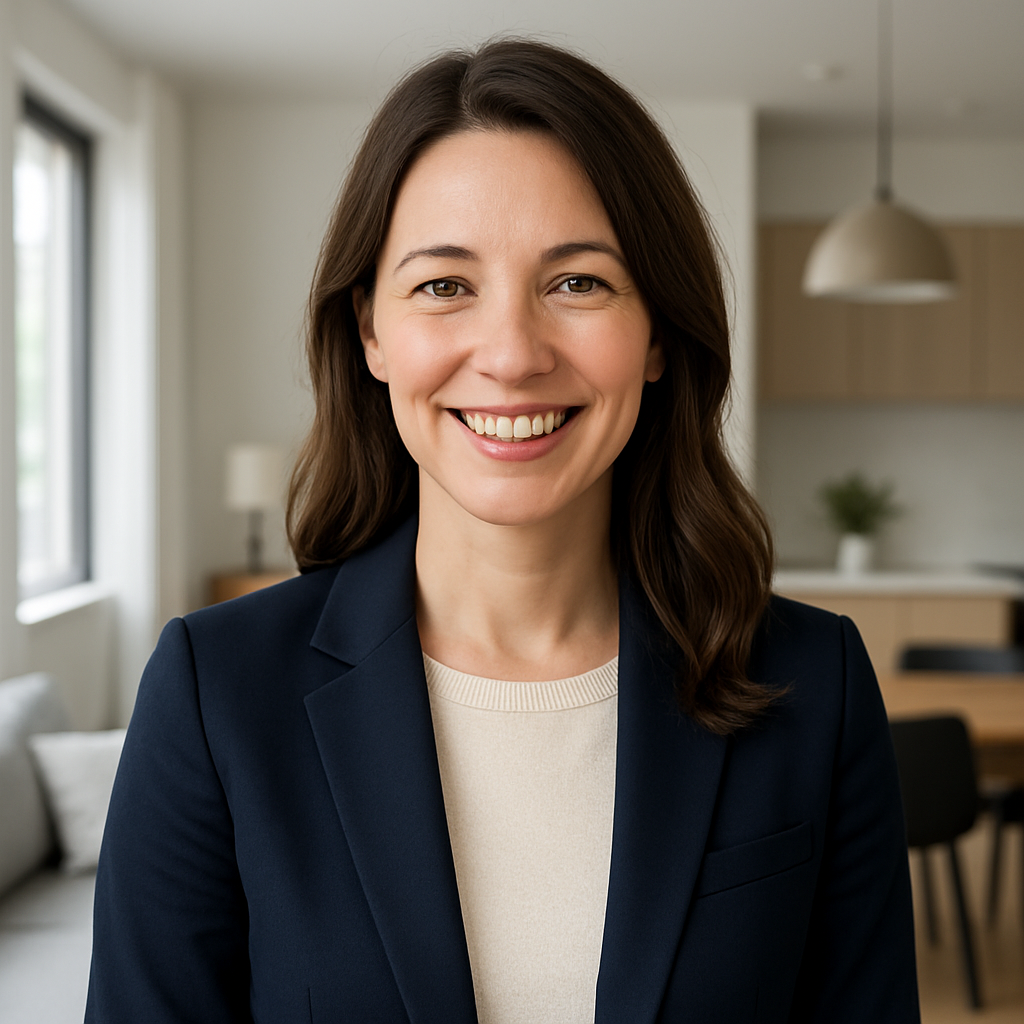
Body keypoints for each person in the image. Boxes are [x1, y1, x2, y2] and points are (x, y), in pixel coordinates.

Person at [86, 39, 919, 1024]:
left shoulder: (812, 684)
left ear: (657, 334)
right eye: (443, 285)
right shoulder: (217, 691)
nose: (513, 355)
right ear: (370, 333)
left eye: (578, 283)